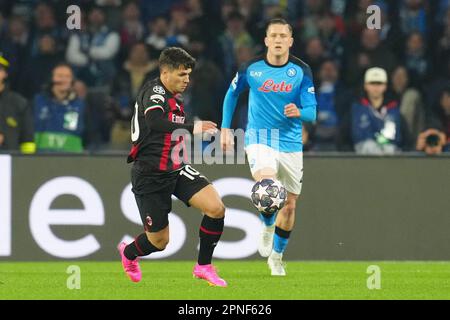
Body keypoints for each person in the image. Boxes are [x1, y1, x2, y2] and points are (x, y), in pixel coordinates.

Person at [118, 47, 228, 287]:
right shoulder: (154, 91)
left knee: (216, 208)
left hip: (176, 168)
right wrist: (192, 127)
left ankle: (203, 267)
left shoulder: (174, 97)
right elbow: (155, 121)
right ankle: (128, 253)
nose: (187, 80)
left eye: (188, 74)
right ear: (165, 72)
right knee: (158, 242)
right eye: (181, 75)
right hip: (150, 174)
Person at [221, 18, 317, 276]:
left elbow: (312, 111)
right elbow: (231, 94)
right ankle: (266, 224)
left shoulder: (301, 71)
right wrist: (226, 127)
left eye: (282, 36)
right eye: (273, 35)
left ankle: (276, 256)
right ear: (265, 40)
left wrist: (299, 111)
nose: (277, 40)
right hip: (259, 137)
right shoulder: (251, 68)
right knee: (267, 184)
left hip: (291, 143)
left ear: (290, 41)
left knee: (290, 205)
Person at [33, 63, 85, 153]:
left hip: (71, 159)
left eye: (67, 77)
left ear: (72, 80)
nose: (64, 80)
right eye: (60, 76)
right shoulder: (38, 101)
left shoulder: (79, 105)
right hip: (41, 158)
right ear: (51, 79)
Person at [351, 67, 402, 155]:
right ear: (365, 85)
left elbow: (403, 136)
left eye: (379, 83)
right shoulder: (357, 108)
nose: (376, 87)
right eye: (372, 83)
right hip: (363, 155)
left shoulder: (393, 109)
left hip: (390, 152)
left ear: (385, 86)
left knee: (389, 149)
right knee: (369, 146)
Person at [0, 54, 35, 154]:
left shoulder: (18, 103)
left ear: (5, 73)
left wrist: (27, 164)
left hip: (10, 164)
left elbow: (27, 141)